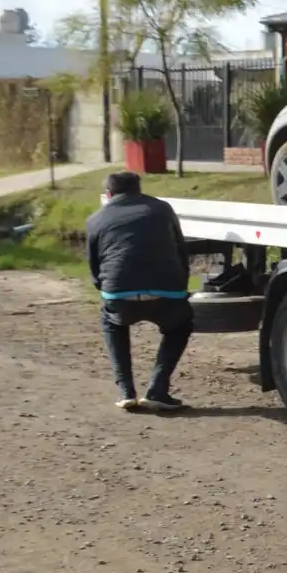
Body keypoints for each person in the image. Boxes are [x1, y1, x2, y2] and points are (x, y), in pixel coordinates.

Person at [85, 171, 193, 412]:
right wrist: (181, 288)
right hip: (167, 291)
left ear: (109, 194)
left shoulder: (95, 219)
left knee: (111, 321)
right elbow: (180, 250)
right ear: (139, 189)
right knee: (180, 325)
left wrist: (105, 289)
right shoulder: (162, 209)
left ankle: (126, 392)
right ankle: (158, 390)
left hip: (119, 293)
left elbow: (94, 265)